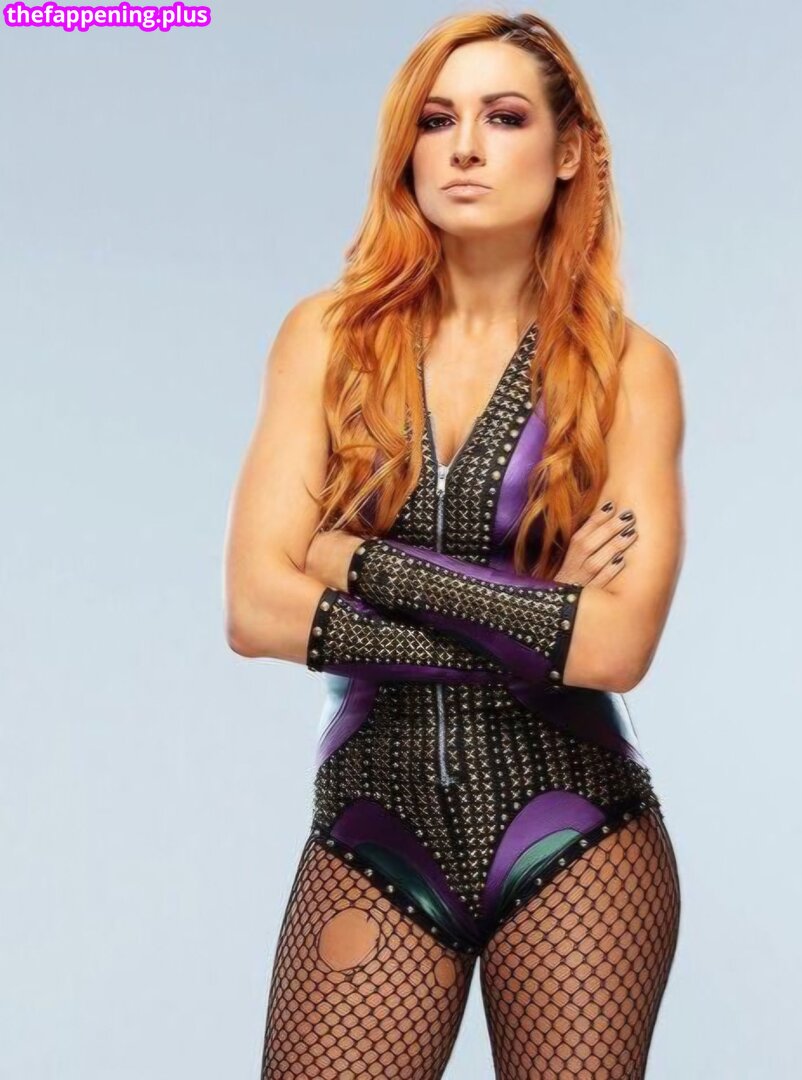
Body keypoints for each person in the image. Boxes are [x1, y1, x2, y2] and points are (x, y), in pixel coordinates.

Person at [224, 11, 686, 1079]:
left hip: (579, 835)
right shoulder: (328, 340)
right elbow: (253, 609)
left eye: (504, 117)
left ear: (567, 152)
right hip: (371, 829)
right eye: (436, 121)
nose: (465, 147)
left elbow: (616, 650)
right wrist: (538, 622)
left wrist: (358, 563)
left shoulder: (630, 369)